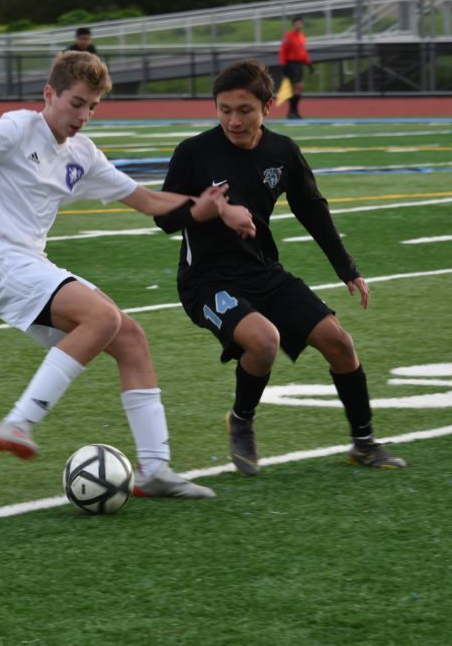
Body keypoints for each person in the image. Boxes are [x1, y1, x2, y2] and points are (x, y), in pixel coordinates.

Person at [0, 50, 255, 499]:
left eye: (93, 107)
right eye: (76, 103)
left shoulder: (82, 153)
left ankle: (154, 469)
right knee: (102, 318)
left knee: (131, 338)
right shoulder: (18, 127)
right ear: (50, 94)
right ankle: (18, 422)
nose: (83, 116)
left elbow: (149, 201)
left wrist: (217, 208)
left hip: (30, 262)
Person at [154, 58, 407, 476]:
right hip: (206, 281)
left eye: (245, 110)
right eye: (224, 110)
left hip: (262, 271)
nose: (233, 121)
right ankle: (241, 420)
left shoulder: (283, 151)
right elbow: (164, 218)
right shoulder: (193, 152)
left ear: (268, 107)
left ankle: (364, 444)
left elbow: (312, 209)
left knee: (339, 342)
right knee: (264, 341)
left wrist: (347, 268)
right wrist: (213, 210)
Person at [277, 17, 312, 120]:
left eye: (300, 24)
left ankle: (293, 112)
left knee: (297, 89)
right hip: (291, 64)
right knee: (297, 86)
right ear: (293, 25)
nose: (299, 26)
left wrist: (308, 64)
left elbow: (303, 52)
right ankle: (292, 112)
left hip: (299, 64)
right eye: (297, 24)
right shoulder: (288, 36)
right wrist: (283, 64)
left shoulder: (302, 36)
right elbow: (283, 51)